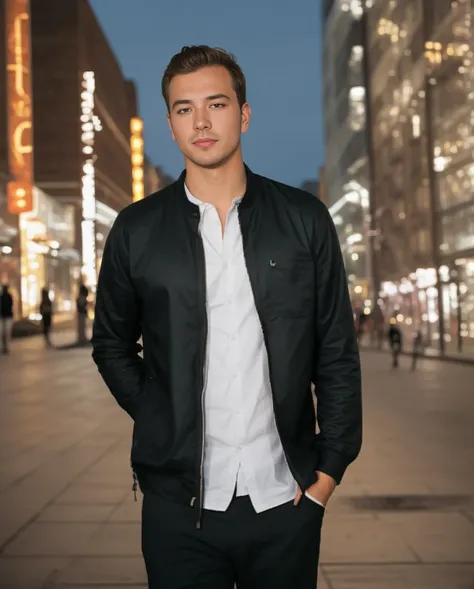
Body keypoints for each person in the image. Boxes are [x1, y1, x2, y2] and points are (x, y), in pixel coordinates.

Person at [92, 46, 362, 589]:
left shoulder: (303, 220)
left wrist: (327, 474)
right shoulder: (137, 229)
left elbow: (335, 347)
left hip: (285, 498)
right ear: (170, 123)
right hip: (178, 508)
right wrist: (159, 413)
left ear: (243, 112)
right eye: (184, 108)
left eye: (216, 103)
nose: (202, 121)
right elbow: (111, 345)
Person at [1, 284, 14, 355]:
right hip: (3, 317)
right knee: (3, 333)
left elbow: (11, 305)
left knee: (7, 333)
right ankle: (4, 347)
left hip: (8, 316)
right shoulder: (1, 297)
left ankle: (6, 347)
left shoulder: (9, 296)